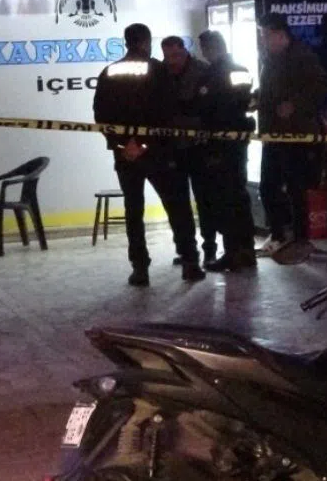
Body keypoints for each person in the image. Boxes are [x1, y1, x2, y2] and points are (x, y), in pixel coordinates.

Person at [94, 23, 204, 286]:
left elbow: (101, 115)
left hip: (125, 156)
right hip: (159, 152)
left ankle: (139, 268)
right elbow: (167, 112)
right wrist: (144, 144)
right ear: (146, 42)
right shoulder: (159, 70)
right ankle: (189, 261)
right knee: (177, 206)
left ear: (127, 42)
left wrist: (123, 145)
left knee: (133, 211)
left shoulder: (110, 72)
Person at [255, 12, 327, 254]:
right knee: (268, 187)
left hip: (297, 135)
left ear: (280, 35)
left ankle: (300, 238)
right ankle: (277, 234)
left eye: (266, 35)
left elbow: (322, 87)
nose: (263, 40)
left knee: (296, 188)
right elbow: (271, 92)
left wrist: (295, 105)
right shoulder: (270, 59)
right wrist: (257, 99)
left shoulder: (302, 56)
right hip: (273, 134)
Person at [197, 29, 258, 272]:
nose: (204, 54)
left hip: (220, 144)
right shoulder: (240, 70)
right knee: (239, 197)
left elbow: (211, 108)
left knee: (225, 200)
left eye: (205, 49)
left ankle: (233, 253)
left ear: (211, 49)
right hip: (237, 142)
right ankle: (246, 251)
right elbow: (245, 102)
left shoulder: (212, 74)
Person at [161, 36, 218, 264]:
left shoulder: (203, 71)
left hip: (200, 146)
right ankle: (187, 250)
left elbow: (211, 109)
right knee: (177, 203)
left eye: (176, 55)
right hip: (173, 147)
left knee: (205, 200)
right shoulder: (160, 73)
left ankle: (210, 249)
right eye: (167, 56)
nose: (172, 61)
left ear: (185, 51)